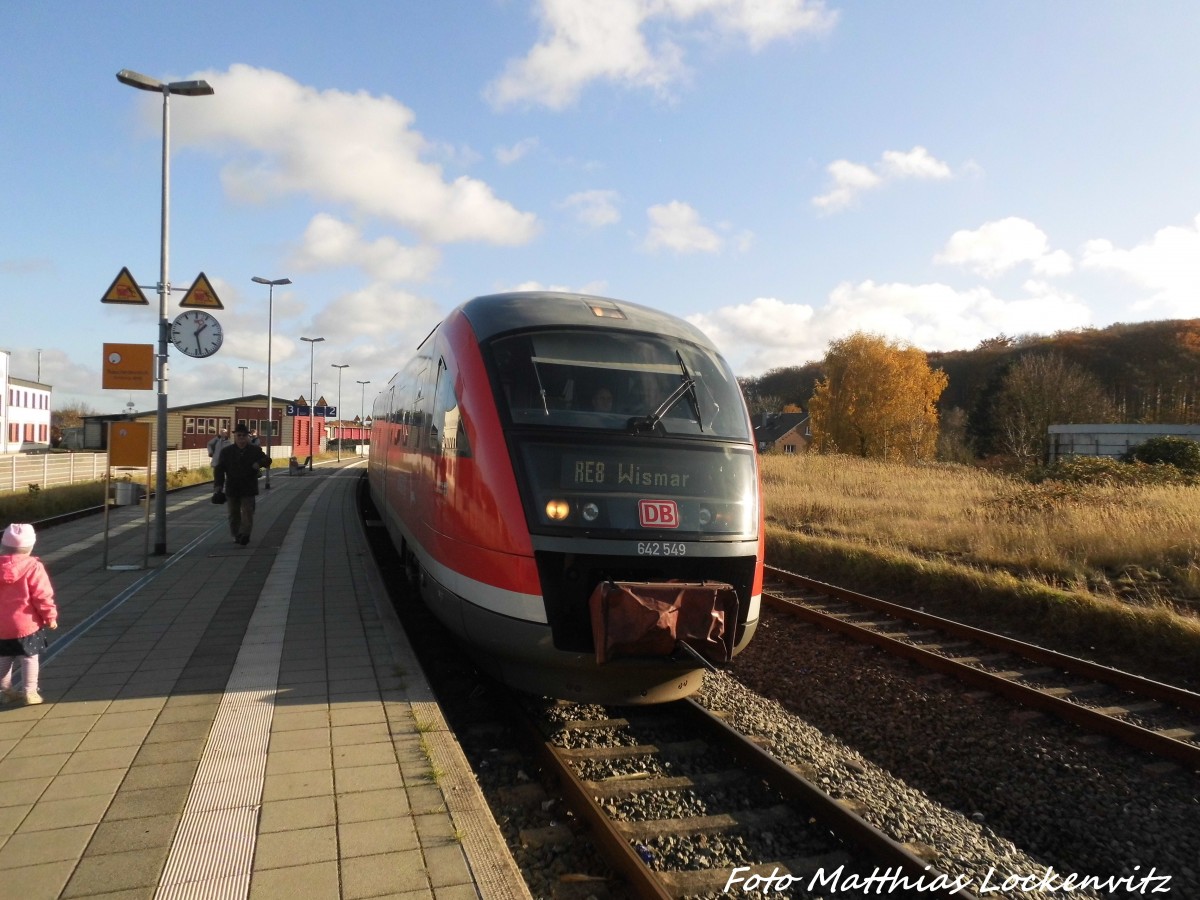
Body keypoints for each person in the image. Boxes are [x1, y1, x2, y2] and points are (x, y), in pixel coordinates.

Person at [0, 524, 58, 706]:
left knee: (3, 658)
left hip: (1, 626)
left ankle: (4, 691)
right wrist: (50, 617)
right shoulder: (34, 567)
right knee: (29, 657)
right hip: (27, 624)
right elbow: (42, 595)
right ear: (31, 546)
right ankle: (30, 692)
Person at [213, 424, 272, 546]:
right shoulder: (227, 452)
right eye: (238, 435)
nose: (241, 438)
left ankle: (245, 534)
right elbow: (219, 469)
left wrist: (258, 463)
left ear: (248, 437)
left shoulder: (254, 450)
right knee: (233, 514)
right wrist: (218, 486)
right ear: (235, 436)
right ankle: (236, 534)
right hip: (232, 487)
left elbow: (267, 460)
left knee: (248, 512)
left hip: (248, 486)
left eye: (244, 435)